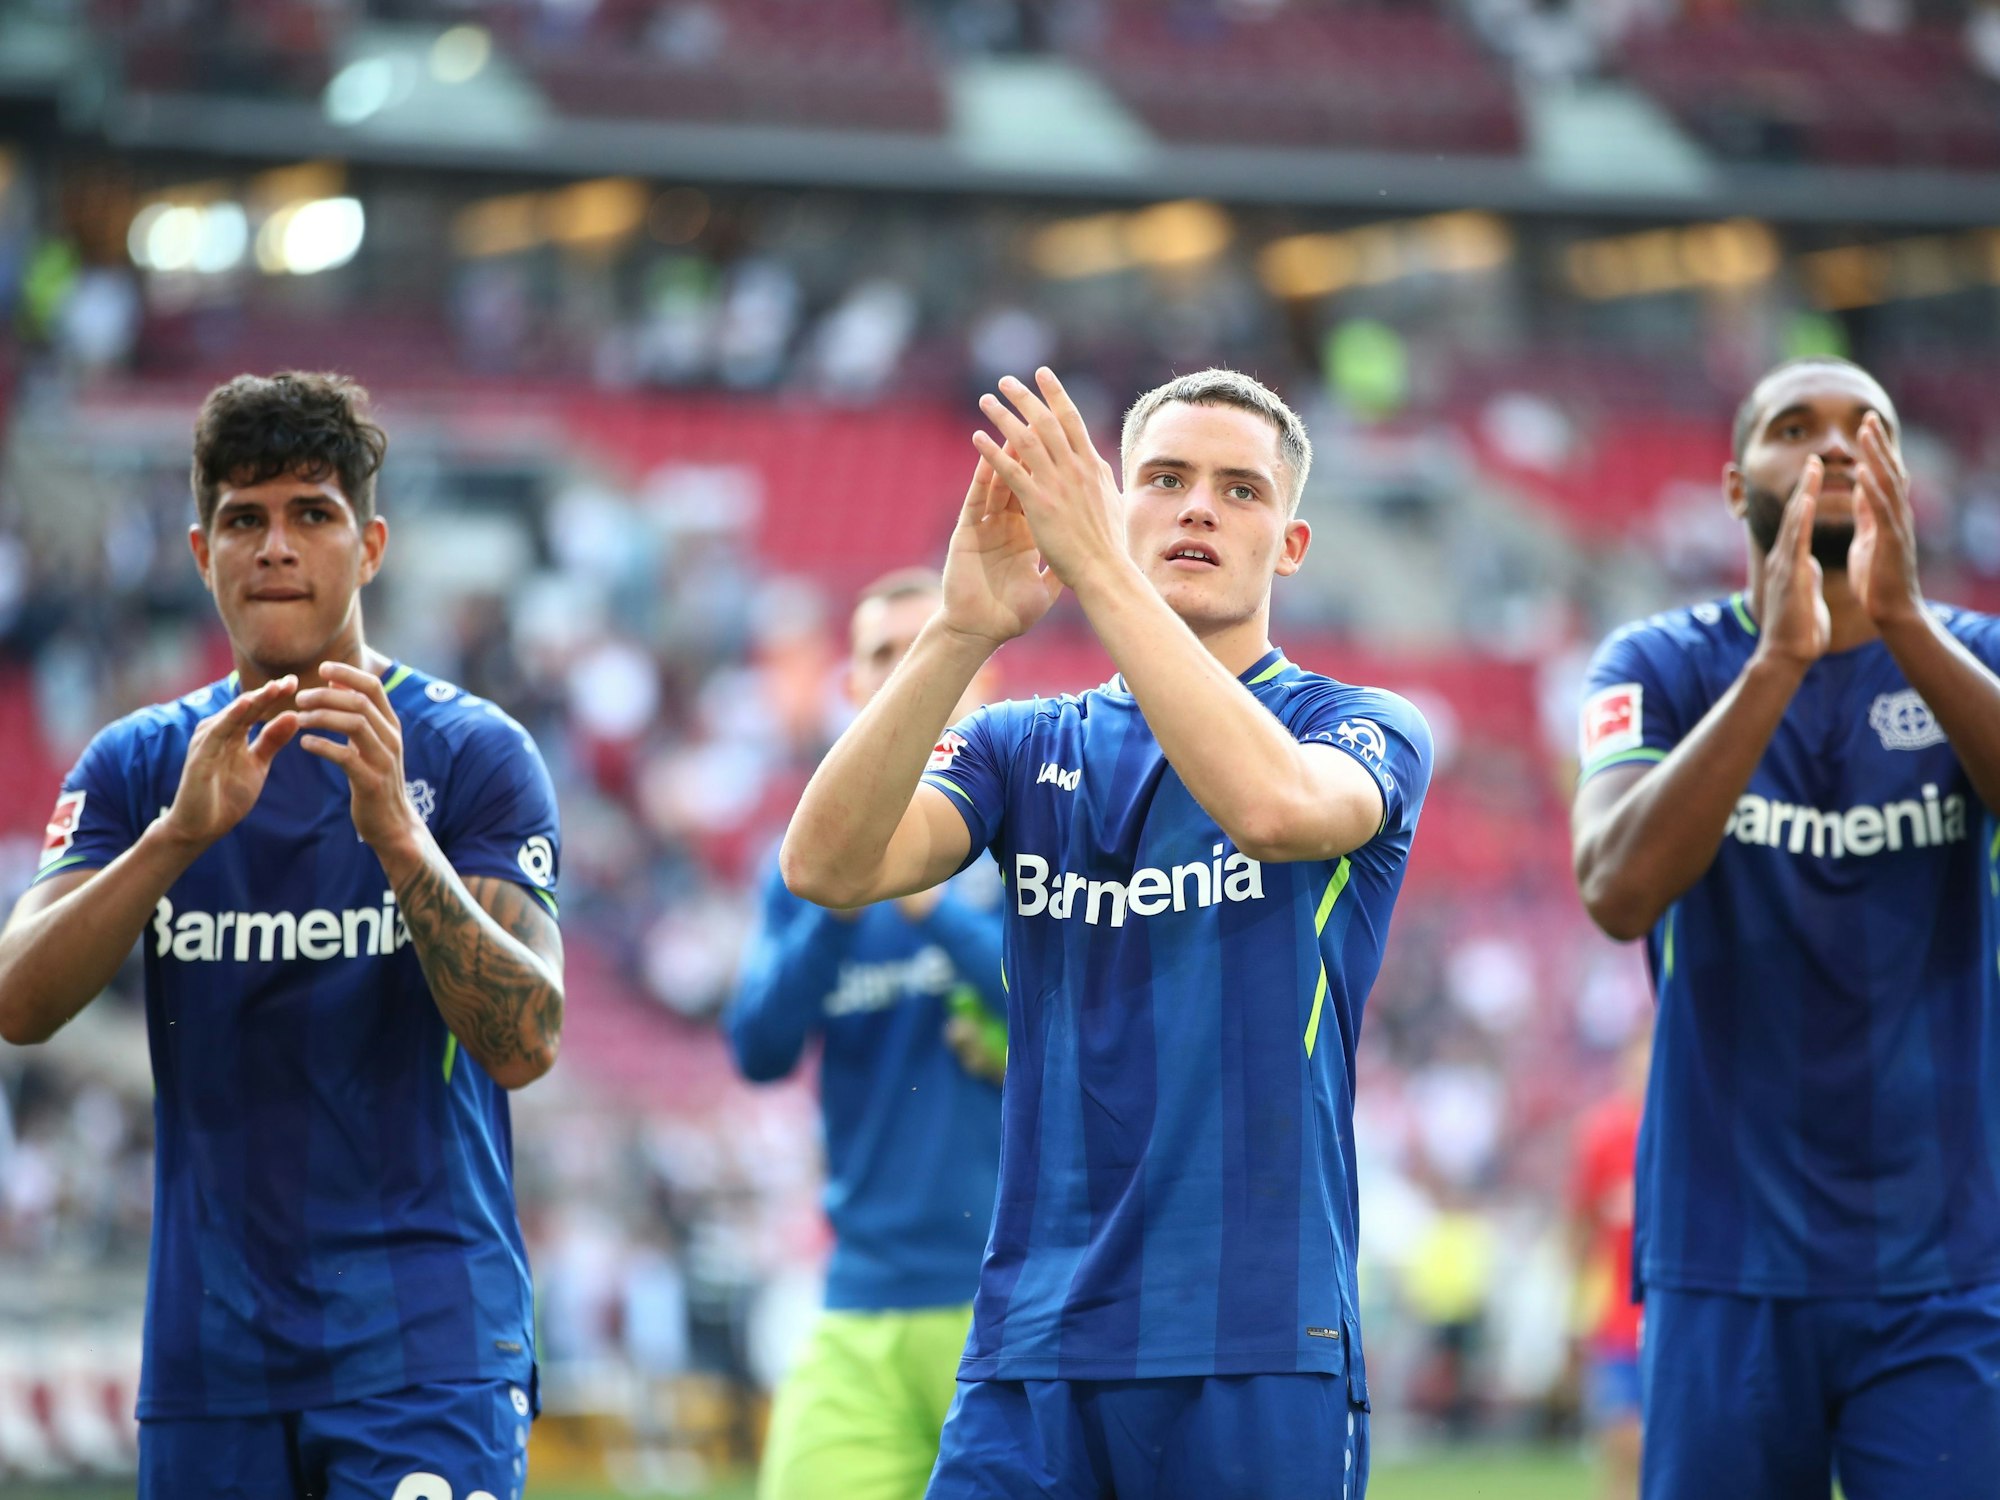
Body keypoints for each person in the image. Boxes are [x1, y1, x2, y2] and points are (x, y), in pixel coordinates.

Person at [782, 366, 1434, 1500]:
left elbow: (1273, 809)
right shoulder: (1019, 745)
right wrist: (954, 631)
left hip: (1255, 1341)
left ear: (1289, 545)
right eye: (1164, 480)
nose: (1195, 509)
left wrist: (1095, 571)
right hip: (1032, 1344)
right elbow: (826, 866)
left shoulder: (1358, 727)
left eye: (1238, 491)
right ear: (1116, 506)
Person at [0, 371, 565, 1500]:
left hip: (428, 1352)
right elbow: (17, 1001)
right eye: (245, 520)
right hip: (212, 1361)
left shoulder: (469, 756)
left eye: (313, 513)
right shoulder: (140, 766)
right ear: (200, 549)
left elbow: (529, 1040)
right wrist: (171, 843)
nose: (276, 548)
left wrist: (402, 843)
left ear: (371, 545)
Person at [1570, 355, 2000, 1500]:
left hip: (1945, 1264)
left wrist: (1900, 619)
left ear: (1907, 473)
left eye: (1869, 426)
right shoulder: (1656, 665)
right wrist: (1776, 663)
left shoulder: (1977, 658)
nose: (1833, 445)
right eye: (1794, 425)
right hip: (1724, 1259)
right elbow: (1613, 889)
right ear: (1730, 485)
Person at [726, 566, 1008, 1500]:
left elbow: (1077, 1021)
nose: (907, 672)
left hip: (1020, 1303)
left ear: (982, 678)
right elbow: (759, 1049)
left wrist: (932, 906)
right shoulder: (802, 873)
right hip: (863, 1300)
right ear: (851, 689)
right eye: (885, 655)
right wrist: (846, 890)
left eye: (932, 647)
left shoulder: (1033, 838)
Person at [1566, 1032, 1647, 1500]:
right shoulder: (1602, 1136)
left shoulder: (1686, 1130)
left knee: (1659, 1446)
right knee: (1619, 1444)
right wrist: (1573, 1310)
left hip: (1668, 1320)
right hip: (1617, 1322)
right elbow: (1580, 1228)